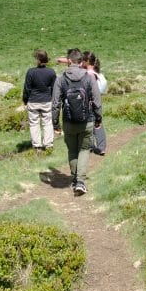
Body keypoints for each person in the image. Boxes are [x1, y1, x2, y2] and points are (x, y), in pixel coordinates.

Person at [53, 49, 102, 195]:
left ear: (68, 61)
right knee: (84, 149)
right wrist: (98, 118)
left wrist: (55, 124)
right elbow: (97, 101)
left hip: (68, 122)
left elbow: (55, 104)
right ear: (81, 62)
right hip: (86, 120)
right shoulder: (89, 78)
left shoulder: (60, 79)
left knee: (72, 150)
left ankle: (75, 179)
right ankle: (80, 181)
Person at [23, 49, 57, 153]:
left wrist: (25, 100)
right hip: (47, 101)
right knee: (47, 123)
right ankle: (48, 145)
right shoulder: (51, 72)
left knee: (34, 123)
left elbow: (27, 88)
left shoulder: (31, 72)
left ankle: (37, 146)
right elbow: (54, 88)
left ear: (37, 60)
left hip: (33, 101)